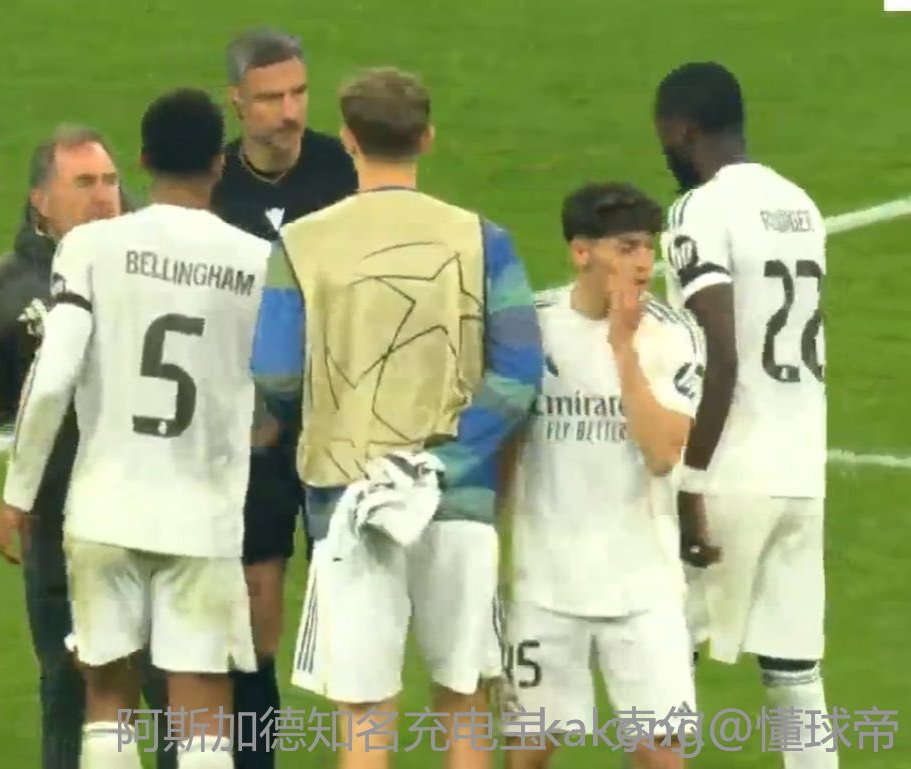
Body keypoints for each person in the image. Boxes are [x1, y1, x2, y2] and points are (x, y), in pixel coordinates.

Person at [253, 67, 542, 769]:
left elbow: (275, 374)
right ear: (427, 138)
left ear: (348, 139)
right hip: (457, 496)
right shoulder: (484, 240)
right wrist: (445, 460)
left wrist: (317, 413)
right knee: (463, 700)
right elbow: (519, 374)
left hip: (347, 496)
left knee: (365, 715)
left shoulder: (299, 244)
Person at [0, 88, 269, 769]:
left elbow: (52, 376)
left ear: (143, 160)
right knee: (201, 704)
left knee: (107, 694)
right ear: (220, 162)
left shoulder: (89, 246)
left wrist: (18, 493)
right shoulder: (254, 258)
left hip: (104, 507)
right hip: (201, 512)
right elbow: (281, 381)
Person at [654, 61, 836, 769]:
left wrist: (691, 482)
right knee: (795, 678)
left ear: (682, 129)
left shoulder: (698, 210)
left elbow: (722, 354)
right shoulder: (800, 204)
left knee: (665, 657)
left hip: (731, 467)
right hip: (802, 470)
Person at [0, 125, 176, 769]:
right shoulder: (8, 290)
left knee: (170, 684)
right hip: (60, 520)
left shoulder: (161, 269)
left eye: (110, 180)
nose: (103, 196)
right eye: (84, 183)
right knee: (69, 684)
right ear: (41, 200)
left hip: (159, 509)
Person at [498, 183, 702, 769]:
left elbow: (662, 451)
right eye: (627, 247)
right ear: (581, 251)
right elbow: (504, 441)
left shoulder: (673, 333)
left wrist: (621, 348)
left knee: (661, 756)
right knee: (528, 753)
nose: (643, 262)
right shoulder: (530, 328)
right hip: (545, 585)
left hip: (644, 588)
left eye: (648, 247)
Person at [210, 30, 359, 764]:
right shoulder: (215, 188)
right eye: (270, 98)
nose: (289, 111)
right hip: (255, 433)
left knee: (355, 602)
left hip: (340, 422)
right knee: (256, 601)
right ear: (237, 101)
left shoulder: (342, 168)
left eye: (298, 93)